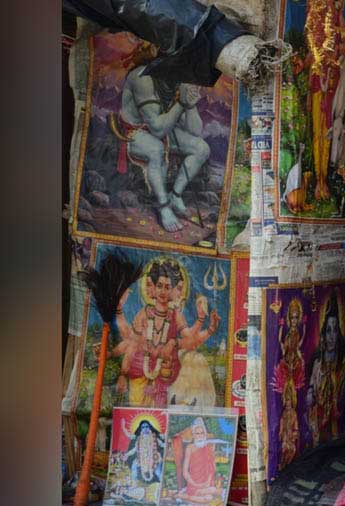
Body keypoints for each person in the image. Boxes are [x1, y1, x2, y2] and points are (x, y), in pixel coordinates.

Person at [111, 41, 211, 232]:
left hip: (162, 131)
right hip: (134, 132)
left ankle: (175, 194)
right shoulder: (143, 77)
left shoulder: (176, 79)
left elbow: (195, 130)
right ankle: (164, 207)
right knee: (156, 149)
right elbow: (157, 129)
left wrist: (190, 105)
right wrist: (181, 104)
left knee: (201, 148)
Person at [112, 259, 220, 407]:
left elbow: (190, 341)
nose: (163, 291)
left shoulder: (175, 315)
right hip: (139, 373)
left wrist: (203, 322)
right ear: (153, 289)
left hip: (165, 376)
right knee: (137, 413)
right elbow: (131, 343)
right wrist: (123, 374)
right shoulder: (144, 313)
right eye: (160, 286)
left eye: (168, 287)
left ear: (173, 291)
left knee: (196, 359)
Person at [307, 291, 345, 447]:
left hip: (335, 423)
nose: (332, 336)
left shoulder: (342, 364)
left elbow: (343, 395)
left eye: (335, 330)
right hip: (319, 421)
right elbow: (312, 387)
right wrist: (311, 393)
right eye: (328, 330)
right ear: (323, 334)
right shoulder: (318, 363)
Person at [271, 297, 307, 468]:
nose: (293, 321)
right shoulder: (287, 334)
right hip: (287, 360)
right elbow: (282, 344)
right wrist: (279, 327)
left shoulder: (297, 333)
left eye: (295, 318)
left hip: (294, 359)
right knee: (285, 447)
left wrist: (294, 433)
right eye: (291, 318)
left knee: (290, 448)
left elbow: (298, 345)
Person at [175, 417, 224, 504]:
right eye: (197, 433)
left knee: (209, 497)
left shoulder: (208, 447)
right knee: (210, 496)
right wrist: (195, 484)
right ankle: (182, 495)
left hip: (206, 483)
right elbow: (185, 472)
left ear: (205, 434)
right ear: (193, 435)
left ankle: (183, 495)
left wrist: (208, 482)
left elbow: (212, 468)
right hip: (193, 483)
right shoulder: (189, 448)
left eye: (202, 433)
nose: (200, 436)